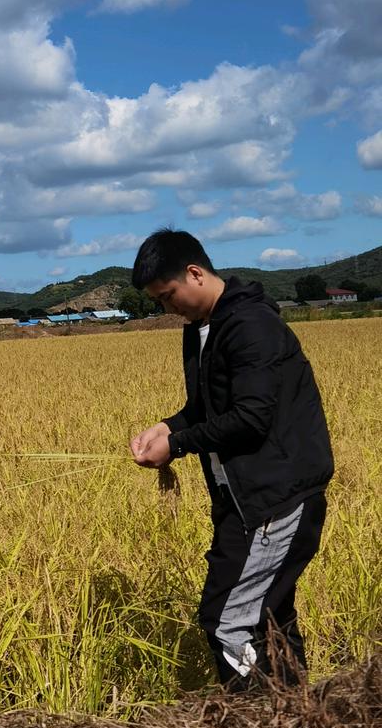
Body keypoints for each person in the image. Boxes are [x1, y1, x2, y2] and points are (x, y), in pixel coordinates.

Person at [128, 229, 333, 690]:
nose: (167, 308)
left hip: (275, 499)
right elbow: (209, 409)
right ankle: (299, 725)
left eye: (167, 296)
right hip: (240, 499)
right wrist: (168, 426)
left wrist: (177, 446)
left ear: (195, 273)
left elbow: (251, 418)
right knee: (270, 616)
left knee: (228, 622)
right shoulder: (202, 328)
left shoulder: (250, 325)